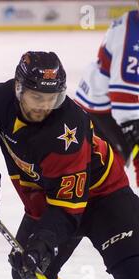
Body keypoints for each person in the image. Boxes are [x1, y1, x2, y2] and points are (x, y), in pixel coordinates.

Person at [0, 51, 139, 279]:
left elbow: (67, 208)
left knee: (134, 271)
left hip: (104, 196)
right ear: (18, 88)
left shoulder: (67, 129)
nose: (44, 106)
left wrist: (44, 244)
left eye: (52, 99)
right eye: (37, 97)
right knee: (31, 277)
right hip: (48, 198)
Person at [75, 3, 139, 185]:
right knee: (105, 179)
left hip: (98, 105)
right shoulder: (133, 38)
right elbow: (125, 102)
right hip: (103, 114)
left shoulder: (131, 21)